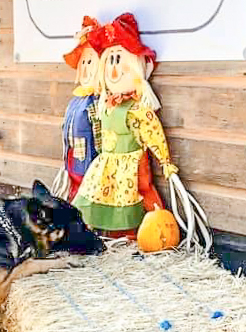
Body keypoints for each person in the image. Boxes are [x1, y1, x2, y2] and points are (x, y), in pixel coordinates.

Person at [73, 13, 174, 239]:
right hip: (108, 160)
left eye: (120, 60)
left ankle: (142, 233)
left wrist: (165, 161)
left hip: (132, 162)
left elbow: (152, 132)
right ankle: (105, 233)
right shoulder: (105, 104)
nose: (114, 69)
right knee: (97, 194)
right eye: (110, 60)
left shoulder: (136, 108)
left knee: (136, 195)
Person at [55, 16, 102, 203]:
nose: (84, 67)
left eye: (90, 62)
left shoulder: (96, 103)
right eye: (83, 62)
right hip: (72, 162)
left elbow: (100, 140)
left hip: (89, 167)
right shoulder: (77, 100)